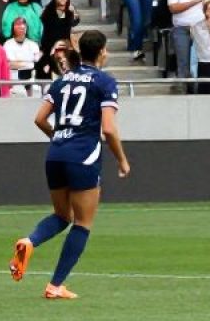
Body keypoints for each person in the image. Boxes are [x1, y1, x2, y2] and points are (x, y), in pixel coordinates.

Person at [9, 30, 129, 301]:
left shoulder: (62, 80)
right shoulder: (105, 82)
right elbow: (109, 128)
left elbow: (39, 119)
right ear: (102, 52)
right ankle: (55, 285)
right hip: (83, 155)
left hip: (56, 153)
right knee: (83, 223)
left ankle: (29, 241)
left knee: (62, 216)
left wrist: (60, 138)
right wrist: (122, 160)